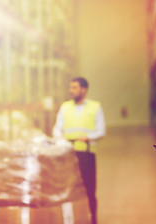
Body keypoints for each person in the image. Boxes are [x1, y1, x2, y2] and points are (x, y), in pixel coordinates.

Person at [53, 77, 105, 224]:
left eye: (75, 88)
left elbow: (101, 131)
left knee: (89, 189)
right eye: (71, 88)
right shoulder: (65, 107)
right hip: (68, 155)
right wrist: (60, 137)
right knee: (68, 189)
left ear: (84, 89)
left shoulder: (95, 107)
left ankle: (93, 218)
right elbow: (57, 128)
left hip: (86, 154)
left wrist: (87, 137)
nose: (71, 91)